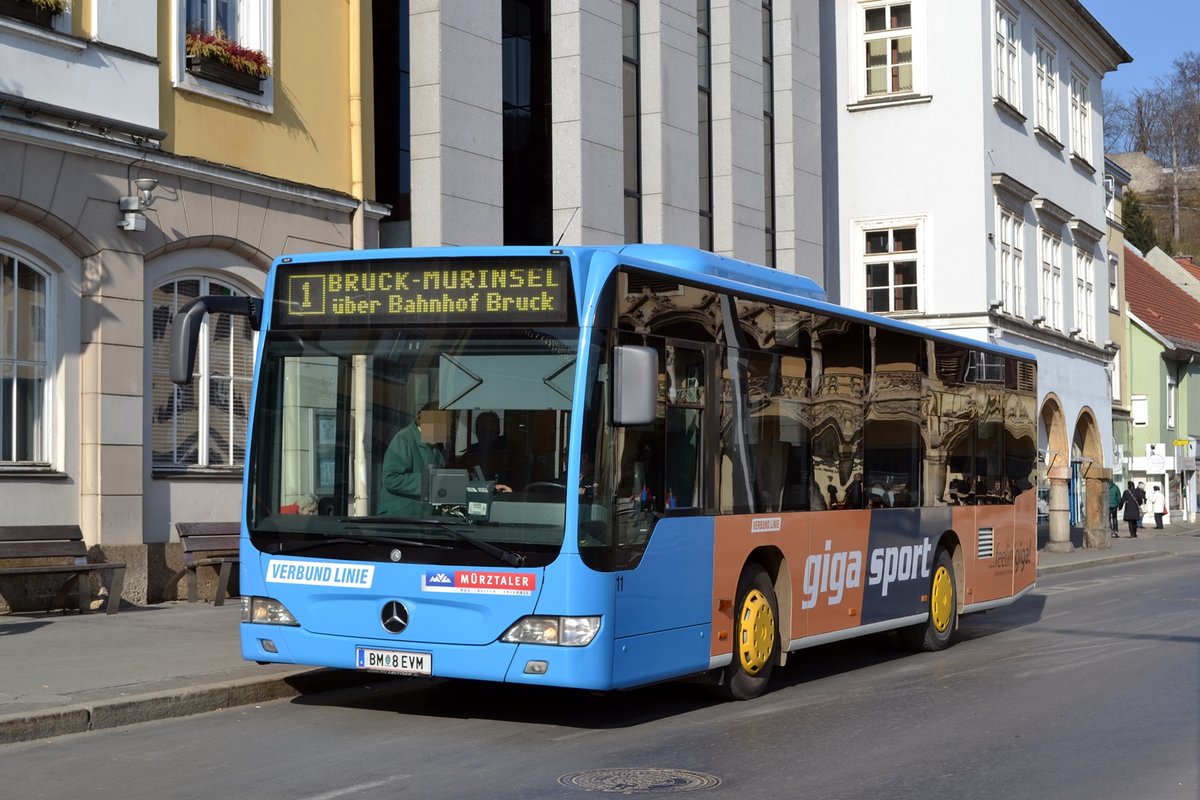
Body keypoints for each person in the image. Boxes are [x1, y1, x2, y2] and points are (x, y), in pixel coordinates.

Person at [379, 405, 447, 517]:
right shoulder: (404, 439)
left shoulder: (437, 445)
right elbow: (390, 478)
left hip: (425, 518)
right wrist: (428, 483)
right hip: (400, 517)